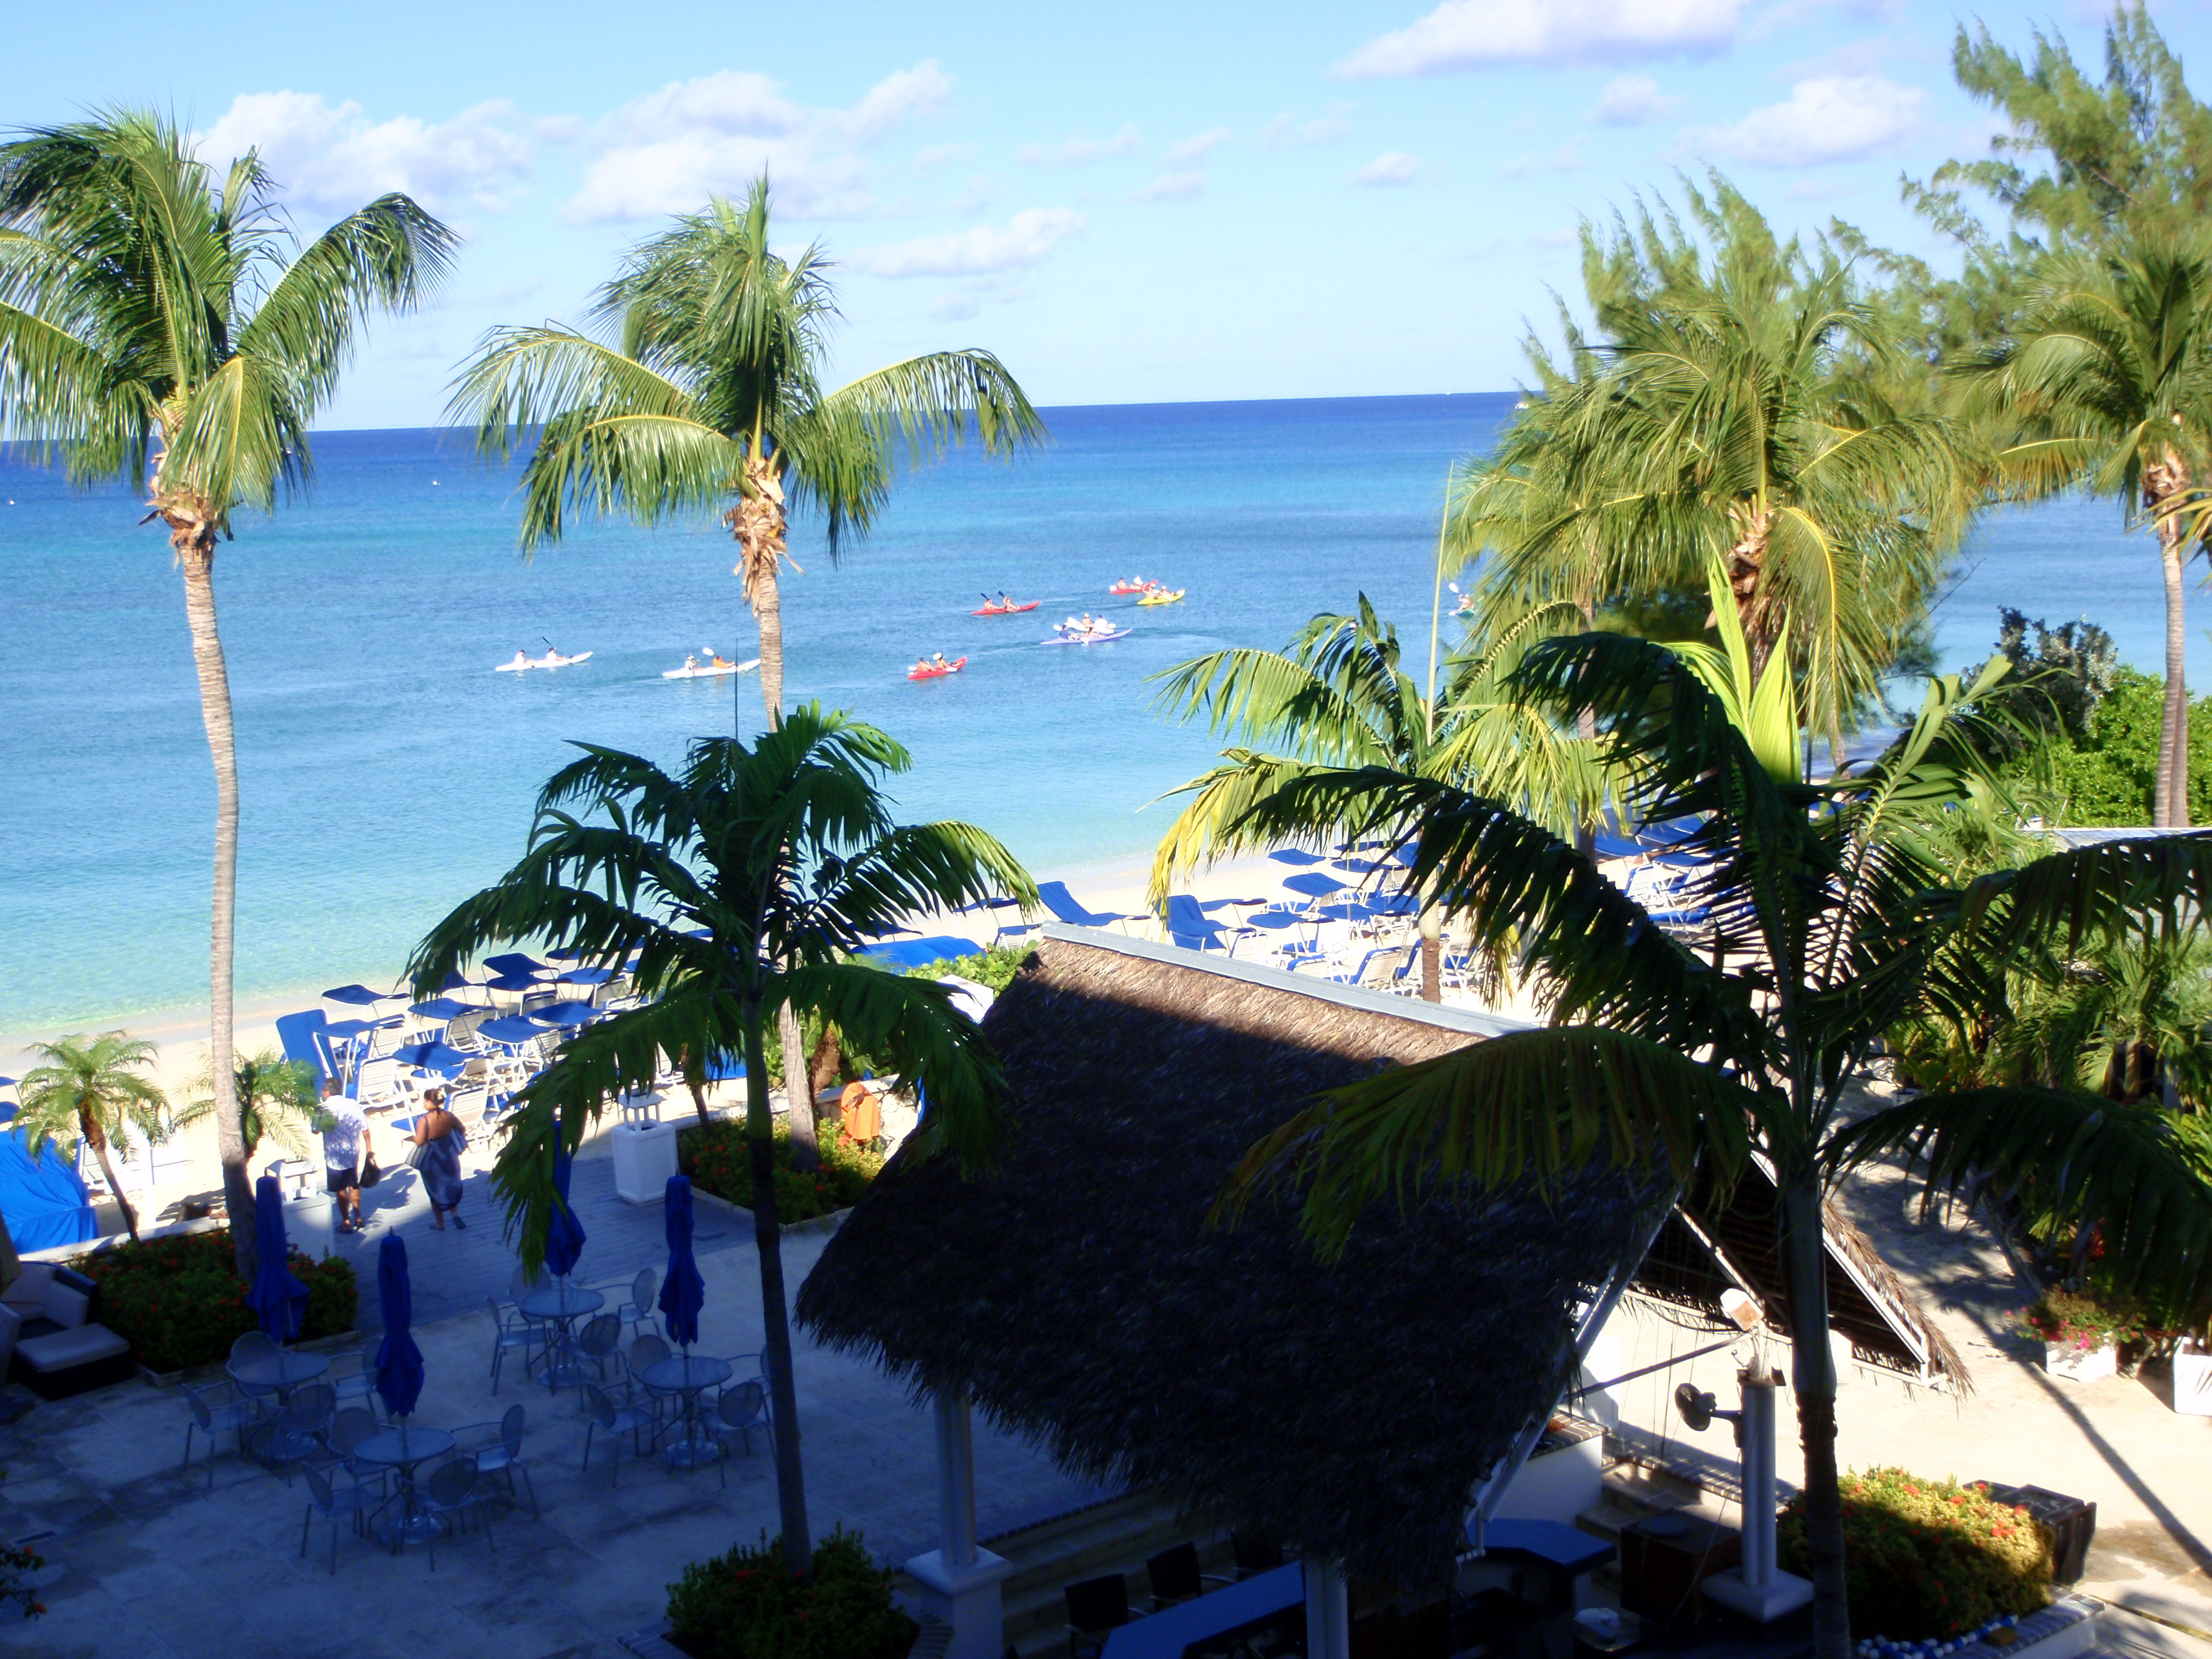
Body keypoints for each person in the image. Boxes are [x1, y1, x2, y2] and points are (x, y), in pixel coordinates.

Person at [410, 1088, 468, 1230]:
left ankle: (440, 1223)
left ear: (430, 1102)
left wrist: (411, 1138)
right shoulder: (449, 1116)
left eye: (425, 1099)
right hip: (449, 1155)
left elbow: (420, 1141)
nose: (423, 1102)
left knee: (435, 1190)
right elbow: (462, 1129)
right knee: (451, 1185)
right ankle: (455, 1215)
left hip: (433, 1159)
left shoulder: (424, 1120)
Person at [319, 1078, 371, 1234]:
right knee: (353, 1183)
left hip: (335, 1155)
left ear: (327, 1092)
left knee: (340, 1188)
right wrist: (370, 1149)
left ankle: (346, 1222)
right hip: (353, 1151)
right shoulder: (352, 1104)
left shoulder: (324, 1108)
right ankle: (358, 1216)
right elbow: (366, 1129)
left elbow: (315, 1129)